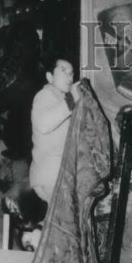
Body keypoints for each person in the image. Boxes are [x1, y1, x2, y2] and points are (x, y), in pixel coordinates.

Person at [29, 59, 79, 203]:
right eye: (63, 71)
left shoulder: (60, 98)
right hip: (51, 175)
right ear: (49, 77)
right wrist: (72, 98)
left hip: (59, 173)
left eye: (71, 73)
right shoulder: (43, 96)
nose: (69, 77)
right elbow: (44, 124)